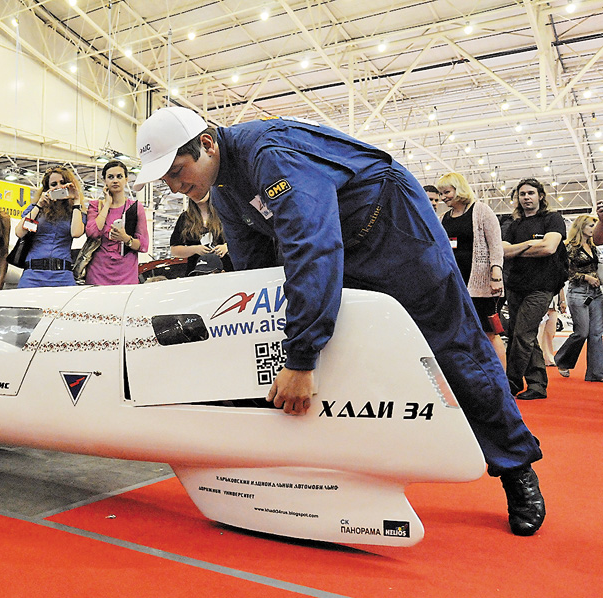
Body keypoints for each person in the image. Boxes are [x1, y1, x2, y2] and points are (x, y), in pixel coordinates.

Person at [131, 107, 545, 537]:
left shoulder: (270, 154)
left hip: (393, 233)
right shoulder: (223, 192)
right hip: (341, 247)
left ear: (208, 144)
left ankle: (516, 466)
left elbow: (312, 247)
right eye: (167, 182)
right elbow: (255, 274)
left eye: (179, 172)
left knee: (452, 348)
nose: (178, 187)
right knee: (347, 359)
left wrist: (301, 358)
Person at [501, 178, 566, 401]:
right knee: (521, 335)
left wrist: (518, 249)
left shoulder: (552, 219)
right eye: (522, 194)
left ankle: (511, 382)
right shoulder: (511, 224)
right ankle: (538, 385)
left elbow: (549, 248)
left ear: (540, 195)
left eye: (530, 193)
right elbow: (503, 251)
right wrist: (530, 245)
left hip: (542, 286)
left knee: (522, 333)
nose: (526, 197)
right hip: (516, 285)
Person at [436, 172, 506, 367]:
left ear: (458, 189)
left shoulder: (481, 211)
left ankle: (503, 383)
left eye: (446, 192)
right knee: (460, 333)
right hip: (455, 284)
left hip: (481, 285)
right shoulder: (443, 218)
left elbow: (495, 246)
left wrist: (496, 274)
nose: (443, 197)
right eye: (441, 193)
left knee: (489, 333)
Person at [15, 166, 85, 288]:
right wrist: (39, 205)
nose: (58, 187)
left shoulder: (77, 211)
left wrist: (77, 200)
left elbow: (76, 233)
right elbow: (20, 232)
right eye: (53, 184)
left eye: (63, 183)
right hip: (33, 275)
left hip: (63, 275)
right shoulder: (35, 209)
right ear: (47, 189)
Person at [553, 214, 602, 381]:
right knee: (582, 332)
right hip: (578, 292)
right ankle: (562, 360)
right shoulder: (569, 247)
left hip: (596, 294)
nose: (594, 229)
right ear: (581, 227)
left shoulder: (594, 247)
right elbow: (565, 271)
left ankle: (596, 373)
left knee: (596, 334)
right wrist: (585, 277)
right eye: (591, 226)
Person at [85, 160, 148, 285]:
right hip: (98, 275)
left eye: (119, 176)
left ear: (126, 179)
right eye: (110, 177)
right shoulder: (95, 206)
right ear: (104, 181)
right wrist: (107, 203)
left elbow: (143, 245)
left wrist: (125, 238)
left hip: (127, 275)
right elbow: (93, 232)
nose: (115, 180)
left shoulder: (135, 207)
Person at [169, 192, 233, 276]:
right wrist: (195, 249)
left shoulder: (223, 214)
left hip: (225, 269)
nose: (197, 193)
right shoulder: (185, 218)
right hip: (196, 270)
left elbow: (239, 239)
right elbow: (174, 250)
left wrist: (226, 247)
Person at [538, 290, 565, 367]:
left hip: (553, 307)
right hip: (541, 304)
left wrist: (562, 301)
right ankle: (537, 359)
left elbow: (561, 287)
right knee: (539, 334)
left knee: (550, 333)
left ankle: (548, 358)